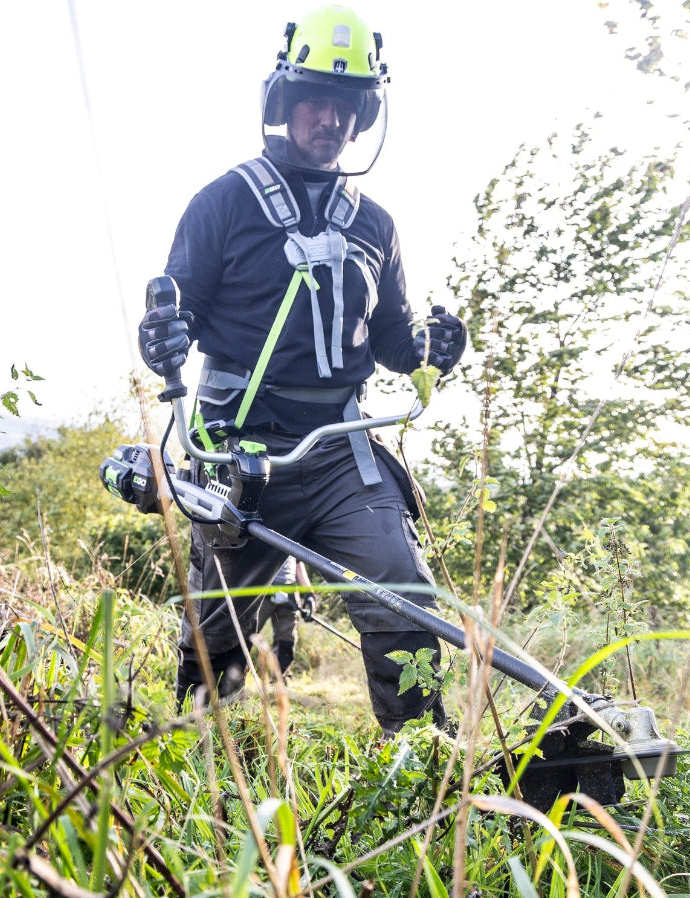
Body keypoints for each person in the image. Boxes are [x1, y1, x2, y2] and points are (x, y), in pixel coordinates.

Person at [137, 4, 466, 736]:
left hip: (339, 449)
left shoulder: (376, 224)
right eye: (315, 100)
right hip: (241, 447)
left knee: (400, 591)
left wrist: (430, 350)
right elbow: (176, 311)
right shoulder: (221, 202)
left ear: (363, 117)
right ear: (282, 105)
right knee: (218, 626)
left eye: (346, 106)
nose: (330, 119)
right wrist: (159, 335)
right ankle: (201, 754)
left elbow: (390, 340)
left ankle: (419, 765)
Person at [256, 558, 314, 673]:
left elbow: (298, 562)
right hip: (261, 591)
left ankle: (280, 679)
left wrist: (309, 593)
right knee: (247, 633)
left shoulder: (294, 540)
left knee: (287, 640)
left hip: (289, 592)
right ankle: (235, 679)